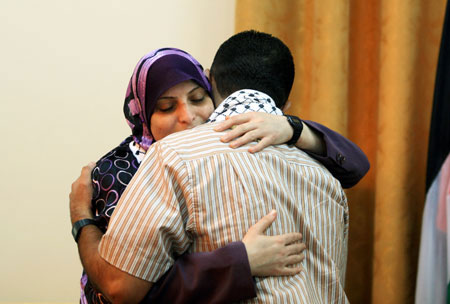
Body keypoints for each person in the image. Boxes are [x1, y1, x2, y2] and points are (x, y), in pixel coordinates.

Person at [70, 36, 368, 303]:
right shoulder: (325, 176)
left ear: (211, 85)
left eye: (197, 98)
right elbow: (116, 289)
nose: (187, 116)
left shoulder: (175, 158)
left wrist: (293, 128)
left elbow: (124, 289)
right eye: (165, 106)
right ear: (142, 115)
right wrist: (240, 262)